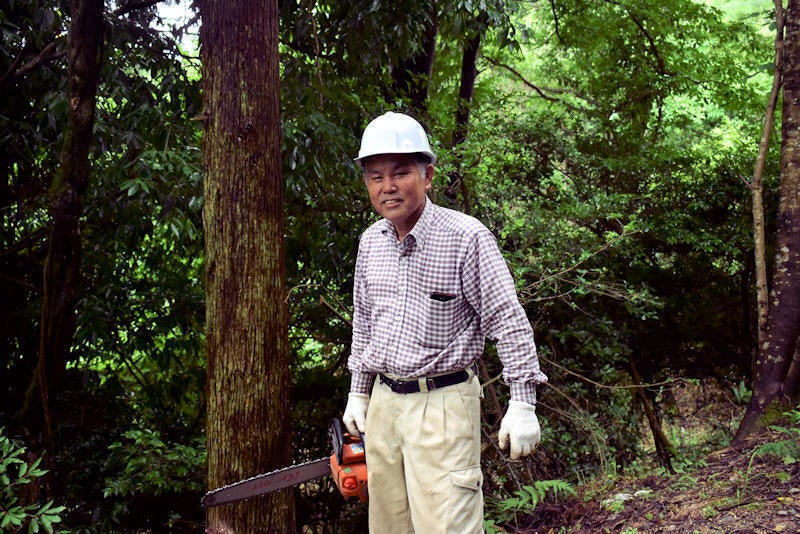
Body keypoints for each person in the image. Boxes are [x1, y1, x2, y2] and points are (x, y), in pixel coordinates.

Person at [342, 111, 547, 534]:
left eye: (400, 173)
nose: (387, 186)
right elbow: (364, 322)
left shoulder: (466, 237)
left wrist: (523, 402)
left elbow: (508, 319)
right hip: (383, 405)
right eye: (376, 176)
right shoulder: (370, 243)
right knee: (389, 528)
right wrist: (358, 393)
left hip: (442, 405)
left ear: (428, 175)